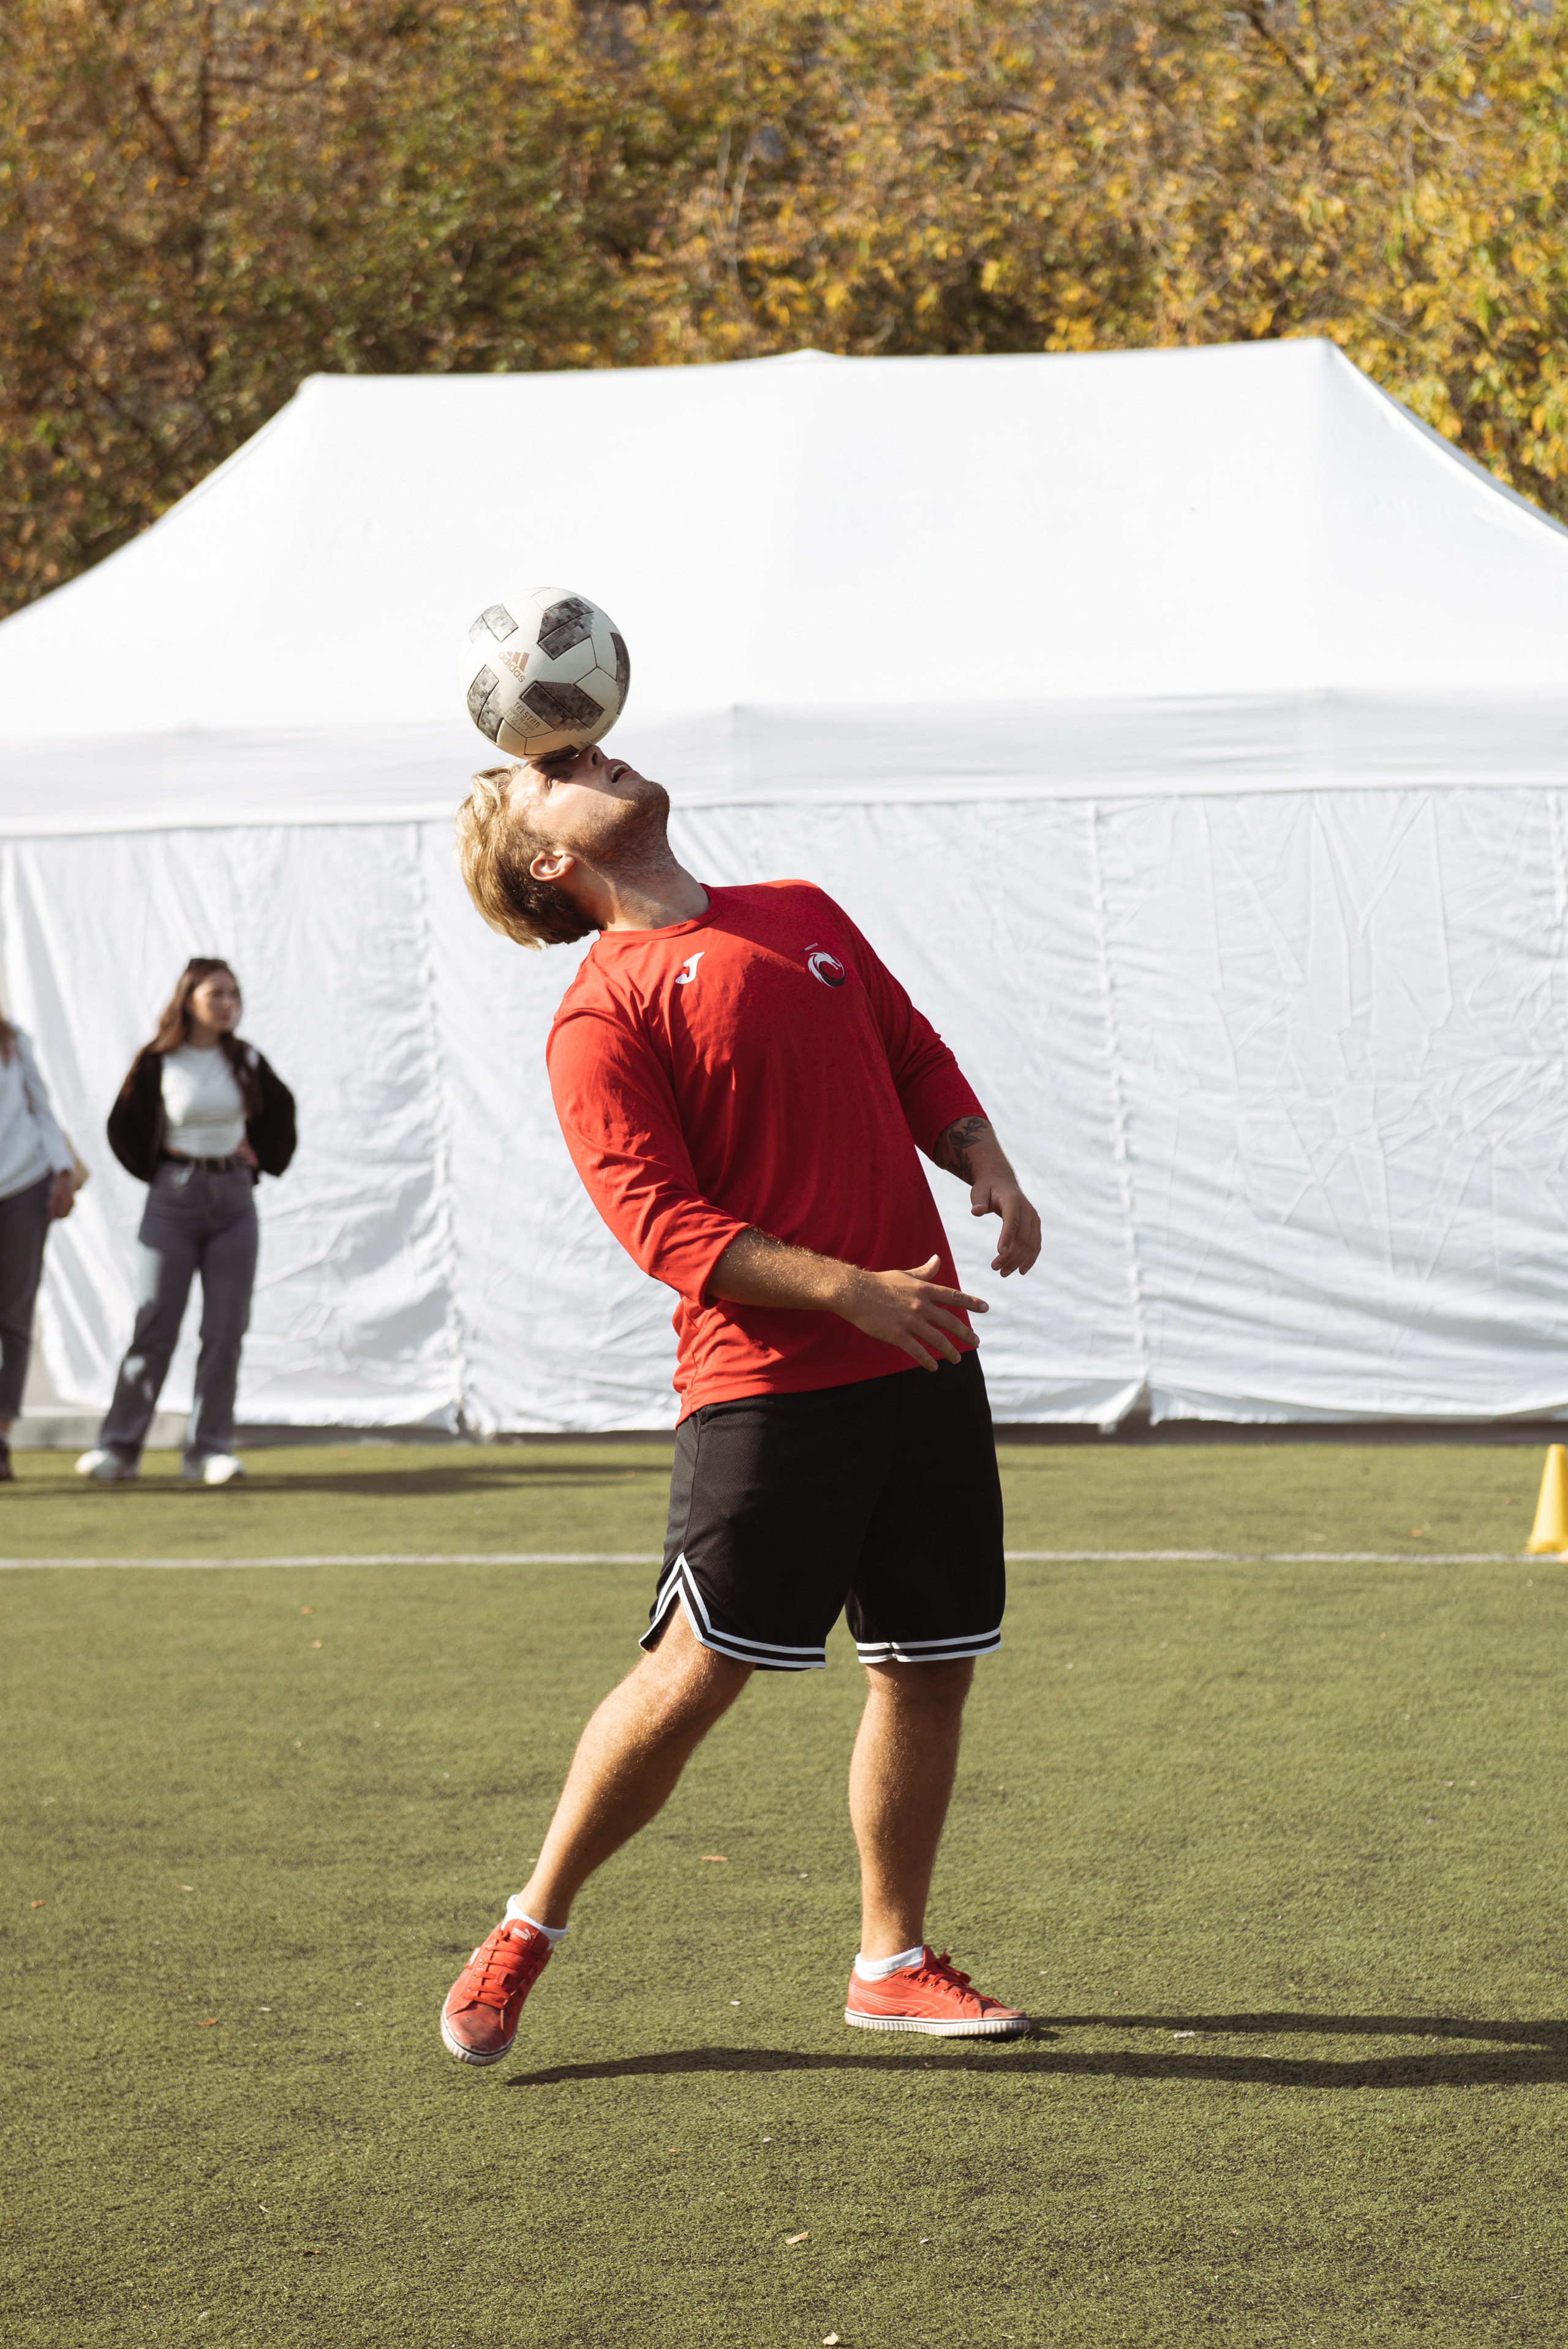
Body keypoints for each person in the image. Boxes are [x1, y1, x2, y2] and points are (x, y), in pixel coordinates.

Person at [440, 741, 1042, 2065]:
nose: (592, 753)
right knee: (697, 1669)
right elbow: (660, 1225)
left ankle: (889, 1962)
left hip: (922, 1360)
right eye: (553, 773)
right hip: (768, 1391)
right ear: (552, 861)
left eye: (586, 742)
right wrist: (843, 1290)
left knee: (926, 1665)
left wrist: (983, 1165)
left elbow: (907, 1050)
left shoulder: (803, 910)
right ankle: (529, 1924)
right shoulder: (600, 1014)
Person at [76, 959, 296, 1489]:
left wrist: (258, 1157)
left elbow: (281, 1115)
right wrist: (160, 1167)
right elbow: (123, 1125)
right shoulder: (158, 1062)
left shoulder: (245, 1059)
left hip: (235, 1204)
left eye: (233, 994)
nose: (227, 1002)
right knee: (154, 1325)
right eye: (216, 993)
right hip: (172, 1205)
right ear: (189, 998)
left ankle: (209, 1449)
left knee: (225, 1329)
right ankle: (119, 1447)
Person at [0, 1013, 78, 1482]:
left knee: (13, 1315)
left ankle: (2, 1433)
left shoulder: (13, 1039)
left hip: (24, 1188)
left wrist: (63, 1167)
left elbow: (41, 1109)